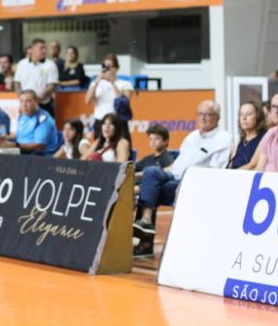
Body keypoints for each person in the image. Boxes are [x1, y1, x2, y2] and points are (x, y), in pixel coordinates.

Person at [133, 101, 230, 244]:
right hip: (173, 175)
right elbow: (176, 165)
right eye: (200, 114)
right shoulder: (192, 136)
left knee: (151, 188)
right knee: (150, 172)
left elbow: (217, 170)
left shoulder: (223, 138)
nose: (202, 118)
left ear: (217, 117)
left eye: (207, 114)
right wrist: (139, 175)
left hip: (192, 181)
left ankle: (144, 238)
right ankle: (145, 221)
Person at [85, 54, 133, 139]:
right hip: (100, 121)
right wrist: (96, 81)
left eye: (109, 67)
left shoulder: (125, 84)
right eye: (104, 66)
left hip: (118, 122)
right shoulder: (96, 84)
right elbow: (87, 100)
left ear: (116, 68)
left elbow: (124, 104)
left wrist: (112, 83)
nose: (107, 69)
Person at [4, 90, 59, 156]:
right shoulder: (22, 116)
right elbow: (21, 137)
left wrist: (15, 145)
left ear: (36, 102)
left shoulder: (42, 119)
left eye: (28, 101)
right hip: (22, 151)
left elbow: (39, 146)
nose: (24, 105)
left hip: (40, 155)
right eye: (21, 101)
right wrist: (5, 138)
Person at [13, 38, 59, 117]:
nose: (44, 50)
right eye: (41, 48)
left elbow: (52, 86)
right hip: (25, 105)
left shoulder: (50, 65)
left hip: (43, 105)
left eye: (45, 48)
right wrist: (23, 99)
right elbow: (17, 84)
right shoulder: (22, 64)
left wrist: (36, 100)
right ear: (32, 49)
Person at [228, 101, 267, 170]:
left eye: (248, 114)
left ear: (258, 117)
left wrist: (231, 174)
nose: (244, 118)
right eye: (241, 114)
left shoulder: (264, 138)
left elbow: (252, 165)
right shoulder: (241, 140)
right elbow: (230, 164)